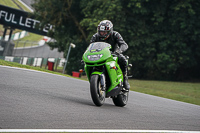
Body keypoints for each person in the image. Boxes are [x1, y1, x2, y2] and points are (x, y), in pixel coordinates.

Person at [90, 20, 130, 91]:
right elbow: (90, 47)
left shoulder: (115, 35)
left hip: (114, 54)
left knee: (122, 59)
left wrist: (118, 51)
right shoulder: (95, 37)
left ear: (110, 31)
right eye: (101, 32)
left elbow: (124, 45)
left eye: (105, 32)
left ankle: (125, 79)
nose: (102, 34)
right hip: (100, 55)